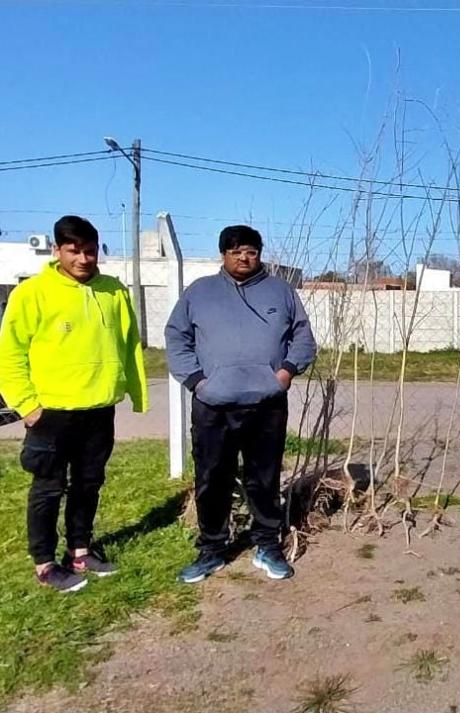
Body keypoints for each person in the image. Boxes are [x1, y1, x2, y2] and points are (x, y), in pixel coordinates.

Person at [0, 215, 147, 593]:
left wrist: (133, 390)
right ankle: (45, 564)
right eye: (74, 251)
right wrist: (26, 405)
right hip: (50, 412)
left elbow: (129, 345)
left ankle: (79, 551)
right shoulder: (32, 293)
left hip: (98, 409)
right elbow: (10, 354)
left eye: (90, 250)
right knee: (48, 488)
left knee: (88, 483)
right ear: (57, 251)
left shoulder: (113, 291)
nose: (83, 258)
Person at [166, 225, 316, 584]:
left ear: (259, 253)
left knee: (263, 479)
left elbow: (303, 338)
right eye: (235, 252)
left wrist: (283, 375)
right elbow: (176, 337)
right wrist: (198, 382)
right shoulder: (199, 293)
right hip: (212, 405)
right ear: (223, 254)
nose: (244, 257)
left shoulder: (281, 291)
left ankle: (268, 545)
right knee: (211, 478)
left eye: (250, 251)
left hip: (266, 405)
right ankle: (212, 550)